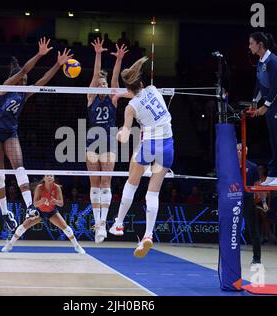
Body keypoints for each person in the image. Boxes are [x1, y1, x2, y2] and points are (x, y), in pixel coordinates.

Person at [0, 37, 73, 232]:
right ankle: (5, 213)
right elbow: (24, 70)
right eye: (22, 80)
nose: (25, 81)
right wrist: (40, 55)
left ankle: (30, 208)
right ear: (15, 79)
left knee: (19, 167)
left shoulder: (23, 95)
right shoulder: (5, 89)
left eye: (25, 81)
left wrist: (57, 65)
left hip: (10, 132)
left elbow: (41, 82)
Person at [109, 56, 174, 258]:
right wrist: (122, 94)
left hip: (149, 144)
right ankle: (148, 235)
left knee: (132, 182)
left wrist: (120, 134)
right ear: (142, 83)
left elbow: (126, 133)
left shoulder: (131, 108)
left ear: (129, 89)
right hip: (168, 144)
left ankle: (118, 224)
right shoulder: (153, 89)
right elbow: (139, 96)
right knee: (152, 194)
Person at [86, 37, 128, 244]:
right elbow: (95, 76)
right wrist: (98, 54)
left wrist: (118, 59)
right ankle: (97, 225)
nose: (102, 85)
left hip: (109, 140)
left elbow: (114, 82)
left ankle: (103, 223)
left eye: (104, 84)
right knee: (94, 183)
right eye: (99, 84)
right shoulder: (91, 97)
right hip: (92, 141)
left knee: (106, 181)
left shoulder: (112, 99)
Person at [249, 32, 277, 186]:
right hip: (271, 103)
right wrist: (254, 102)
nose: (249, 47)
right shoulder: (261, 61)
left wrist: (265, 106)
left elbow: (275, 87)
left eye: (251, 43)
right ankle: (273, 173)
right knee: (273, 140)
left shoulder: (273, 61)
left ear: (260, 44)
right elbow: (260, 83)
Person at [2, 175, 85, 254]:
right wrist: (41, 201)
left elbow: (61, 203)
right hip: (39, 211)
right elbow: (34, 204)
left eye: (51, 176)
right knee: (22, 227)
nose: (49, 177)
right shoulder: (39, 187)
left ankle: (77, 246)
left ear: (53, 179)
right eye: (47, 176)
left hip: (52, 212)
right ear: (44, 178)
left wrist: (55, 201)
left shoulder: (57, 188)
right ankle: (10, 245)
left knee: (67, 229)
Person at [237, 143, 264, 265]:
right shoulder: (230, 166)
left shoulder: (252, 167)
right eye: (237, 150)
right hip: (233, 201)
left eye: (240, 150)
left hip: (247, 200)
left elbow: (258, 186)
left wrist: (263, 202)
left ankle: (257, 258)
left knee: (253, 229)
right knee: (230, 228)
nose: (238, 152)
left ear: (245, 152)